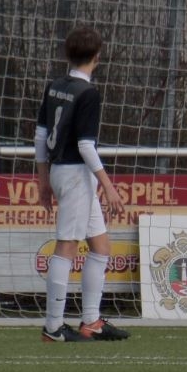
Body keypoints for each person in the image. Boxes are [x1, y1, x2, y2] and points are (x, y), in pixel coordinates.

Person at [36, 26, 130, 343]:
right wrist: (110, 186)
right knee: (66, 246)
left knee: (101, 246)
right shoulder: (88, 93)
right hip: (76, 175)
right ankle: (52, 327)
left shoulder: (55, 86)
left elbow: (39, 136)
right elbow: (86, 145)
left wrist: (43, 180)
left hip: (63, 172)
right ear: (97, 57)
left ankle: (91, 321)